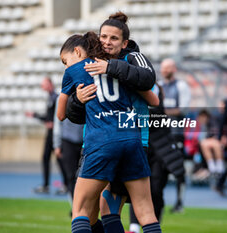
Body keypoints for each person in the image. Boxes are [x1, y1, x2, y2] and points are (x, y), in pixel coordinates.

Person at [57, 32, 162, 233]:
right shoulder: (118, 67)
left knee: (81, 211)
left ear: (77, 52)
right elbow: (154, 100)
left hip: (101, 142)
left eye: (65, 60)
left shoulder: (74, 71)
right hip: (133, 140)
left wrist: (79, 98)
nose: (66, 65)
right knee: (145, 213)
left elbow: (61, 114)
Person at [25, 77, 68, 194]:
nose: (42, 87)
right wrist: (35, 115)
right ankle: (47, 185)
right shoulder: (51, 98)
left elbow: (58, 117)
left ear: (50, 84)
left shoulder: (55, 98)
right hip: (50, 133)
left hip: (54, 133)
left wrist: (52, 123)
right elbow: (48, 118)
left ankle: (66, 184)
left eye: (44, 84)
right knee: (46, 158)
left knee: (60, 159)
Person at [159, 58, 189, 213]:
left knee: (178, 170)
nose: (165, 70)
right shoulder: (159, 85)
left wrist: (161, 112)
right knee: (158, 169)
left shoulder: (181, 86)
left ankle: (179, 202)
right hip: (160, 135)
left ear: (174, 68)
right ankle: (159, 201)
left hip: (176, 134)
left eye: (168, 68)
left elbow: (182, 110)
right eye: (163, 68)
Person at [53, 96, 84, 207]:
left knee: (83, 176)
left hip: (83, 141)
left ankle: (82, 206)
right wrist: (57, 145)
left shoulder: (86, 92)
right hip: (68, 141)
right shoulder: (63, 97)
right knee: (70, 176)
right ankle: (75, 206)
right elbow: (58, 121)